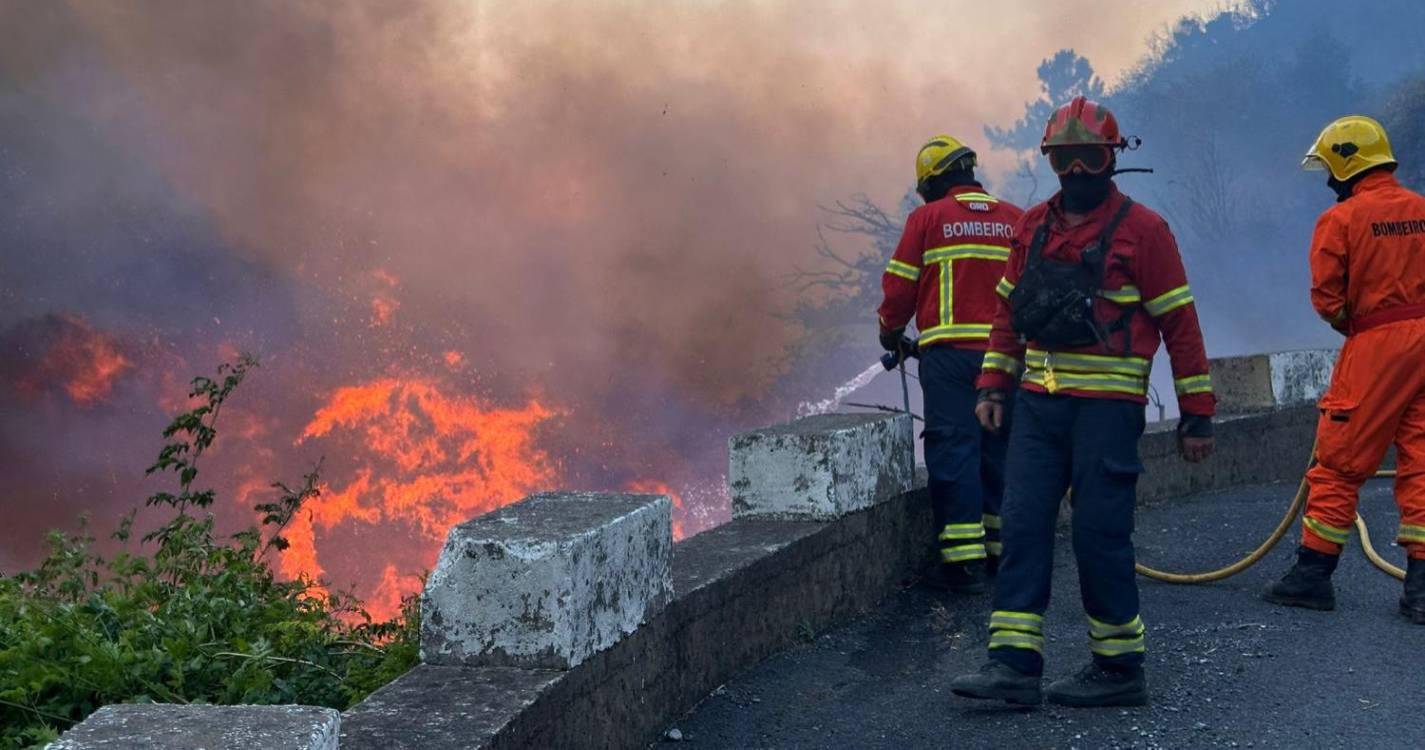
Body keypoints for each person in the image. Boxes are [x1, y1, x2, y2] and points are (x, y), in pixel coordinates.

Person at [947, 96, 1215, 707]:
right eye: (1064, 159)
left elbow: (1180, 323)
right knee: (1021, 526)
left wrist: (1198, 413)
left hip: (1107, 412)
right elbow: (1008, 314)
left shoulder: (1145, 231)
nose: (1075, 173)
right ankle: (1013, 667)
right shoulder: (1031, 227)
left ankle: (1119, 670)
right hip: (1038, 407)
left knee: (1099, 534)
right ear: (1050, 160)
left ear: (1112, 159)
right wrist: (993, 385)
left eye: (1088, 158)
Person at [1264, 115, 1425, 624]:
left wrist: (1362, 328)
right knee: (1422, 461)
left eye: (1329, 169)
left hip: (1376, 346)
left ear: (1345, 163)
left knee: (1339, 460)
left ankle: (1312, 575)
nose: (1328, 180)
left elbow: (1327, 299)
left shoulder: (1341, 220)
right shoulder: (1421, 209)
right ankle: (1422, 590)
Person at [877, 135, 1023, 593]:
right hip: (1007, 359)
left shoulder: (928, 219)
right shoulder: (1015, 219)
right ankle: (1003, 551)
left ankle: (962, 564)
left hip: (950, 361)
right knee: (1000, 451)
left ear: (933, 182)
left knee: (954, 449)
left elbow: (899, 287)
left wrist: (890, 331)